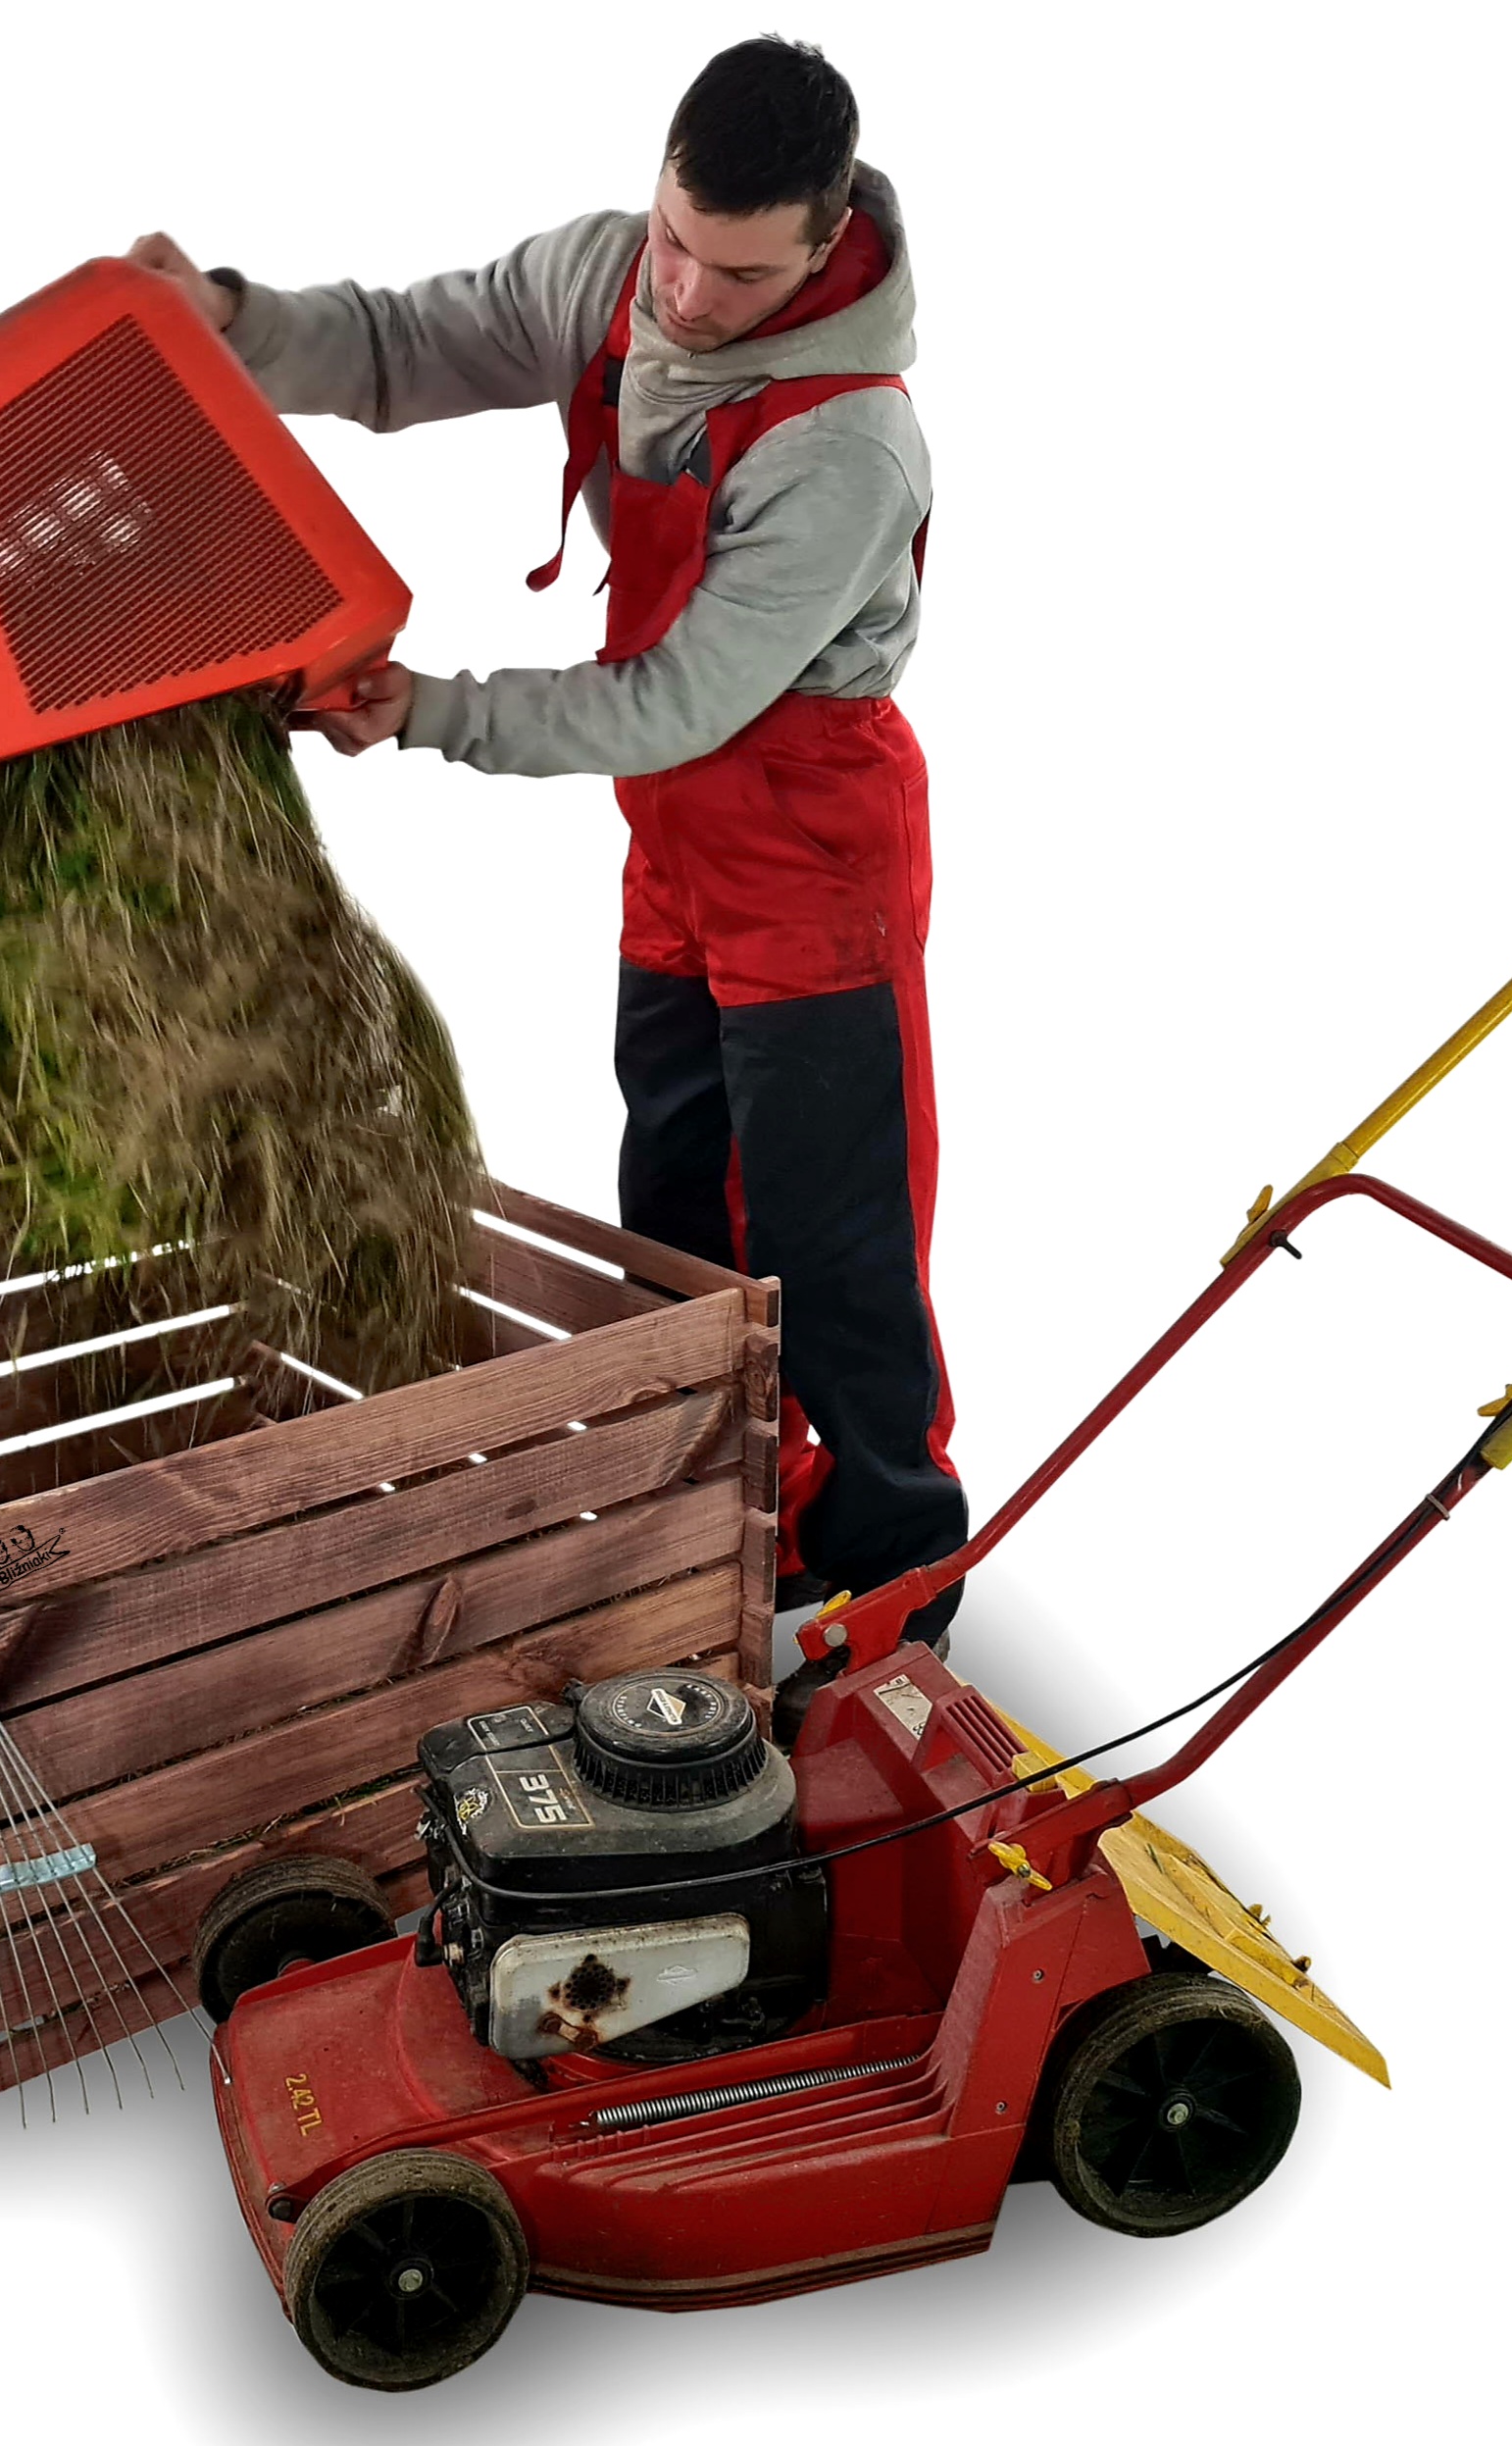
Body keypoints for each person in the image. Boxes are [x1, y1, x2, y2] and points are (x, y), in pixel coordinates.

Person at [129, 36, 962, 1640]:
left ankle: (891, 1585)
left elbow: (676, 699)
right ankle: (718, 1543)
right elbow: (403, 344)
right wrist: (229, 316)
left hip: (809, 845)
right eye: (675, 242)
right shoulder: (610, 277)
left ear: (823, 242)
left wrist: (432, 711)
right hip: (675, 842)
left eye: (738, 273)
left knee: (833, 1232)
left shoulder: (846, 443)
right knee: (674, 1200)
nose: (686, 296)